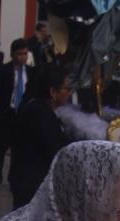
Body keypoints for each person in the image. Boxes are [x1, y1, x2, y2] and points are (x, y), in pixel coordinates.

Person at [8, 65, 71, 209]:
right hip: (30, 185)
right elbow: (57, 148)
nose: (69, 93)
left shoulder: (40, 109)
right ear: (53, 92)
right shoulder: (40, 113)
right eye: (66, 88)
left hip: (28, 182)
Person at [0, 38, 32, 186]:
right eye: (19, 54)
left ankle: (13, 176)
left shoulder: (31, 72)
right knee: (1, 146)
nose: (23, 57)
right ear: (13, 54)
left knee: (18, 149)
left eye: (25, 54)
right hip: (6, 113)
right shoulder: (4, 70)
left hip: (23, 115)